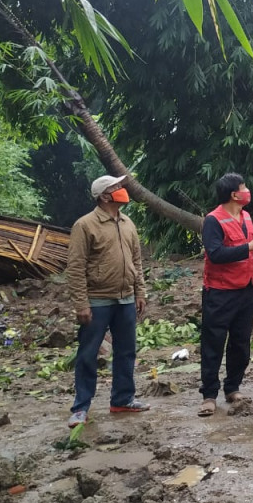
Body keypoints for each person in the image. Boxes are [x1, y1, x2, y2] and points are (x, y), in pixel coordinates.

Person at [66, 174, 150, 427]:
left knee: (126, 352)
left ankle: (122, 399)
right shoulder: (85, 225)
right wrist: (81, 303)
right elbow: (76, 266)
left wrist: (140, 292)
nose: (122, 189)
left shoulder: (127, 223)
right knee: (88, 354)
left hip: (125, 299)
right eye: (116, 187)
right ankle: (81, 407)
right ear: (104, 195)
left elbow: (137, 261)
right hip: (97, 301)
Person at [198, 172, 253, 417]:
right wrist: (249, 247)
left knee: (241, 344)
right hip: (220, 293)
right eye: (244, 187)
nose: (247, 190)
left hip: (246, 291)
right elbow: (216, 254)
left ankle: (233, 387)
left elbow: (248, 250)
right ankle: (209, 395)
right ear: (234, 194)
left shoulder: (246, 217)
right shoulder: (213, 220)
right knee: (213, 344)